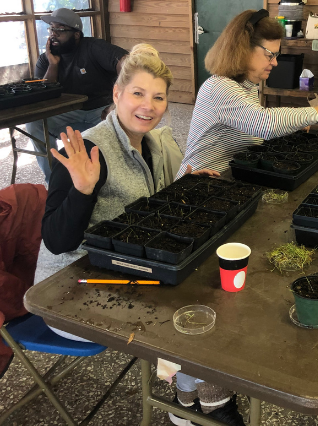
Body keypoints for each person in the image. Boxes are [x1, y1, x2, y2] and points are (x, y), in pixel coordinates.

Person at [39, 45, 240, 426]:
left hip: (124, 260)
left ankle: (186, 403)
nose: (149, 105)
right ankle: (214, 404)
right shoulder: (86, 149)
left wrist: (185, 184)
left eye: (159, 97)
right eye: (138, 93)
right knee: (186, 304)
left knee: (200, 283)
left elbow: (148, 207)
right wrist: (83, 190)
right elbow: (56, 242)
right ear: (117, 94)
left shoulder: (149, 142)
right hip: (71, 287)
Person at [182, 9, 318, 172]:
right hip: (201, 179)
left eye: (276, 55)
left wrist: (293, 123)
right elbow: (264, 124)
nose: (275, 63)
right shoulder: (220, 87)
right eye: (270, 55)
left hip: (232, 173)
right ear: (243, 50)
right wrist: (315, 113)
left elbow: (252, 125)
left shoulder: (247, 85)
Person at [23, 8, 127, 180]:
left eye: (60, 30)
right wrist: (53, 65)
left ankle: (118, 176)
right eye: (51, 29)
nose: (53, 34)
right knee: (35, 123)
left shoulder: (93, 47)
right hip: (66, 113)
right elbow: (44, 96)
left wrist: (118, 102)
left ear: (76, 34)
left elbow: (126, 62)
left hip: (102, 108)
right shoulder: (46, 60)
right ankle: (53, 180)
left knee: (123, 118)